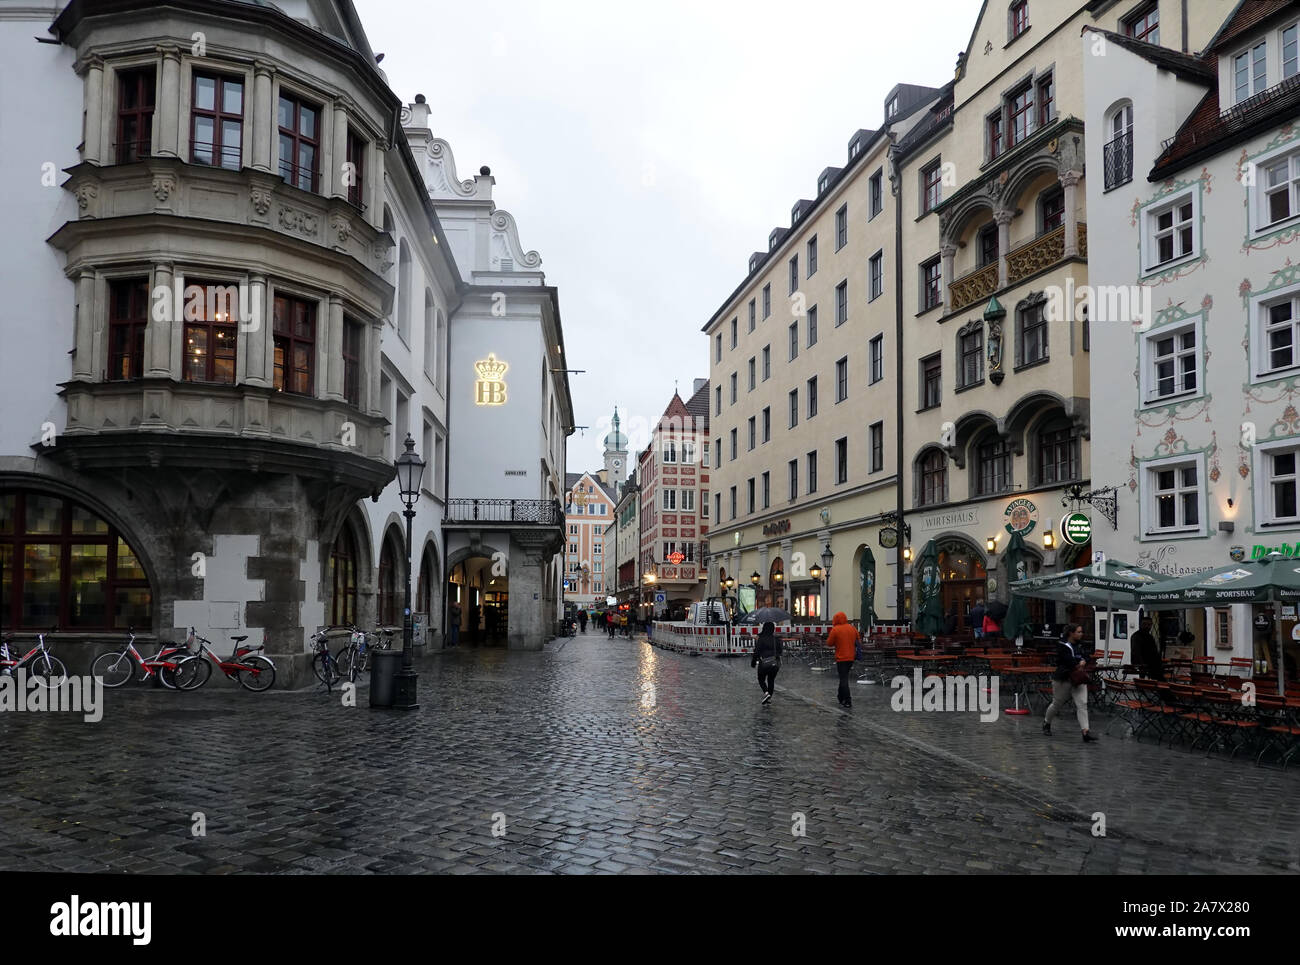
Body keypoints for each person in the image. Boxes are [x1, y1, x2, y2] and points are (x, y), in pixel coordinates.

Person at [1043, 623, 1097, 742]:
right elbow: (1067, 661)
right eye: (1078, 632)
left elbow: (1087, 656)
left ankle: (1085, 731)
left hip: (1079, 678)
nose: (1081, 634)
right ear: (1071, 633)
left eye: (1081, 632)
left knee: (1082, 704)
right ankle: (1047, 723)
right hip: (1064, 679)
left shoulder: (1081, 644)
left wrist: (1084, 660)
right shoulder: (1062, 645)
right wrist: (1079, 662)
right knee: (1057, 703)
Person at [826, 611, 860, 708]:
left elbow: (829, 643)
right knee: (843, 677)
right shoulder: (852, 628)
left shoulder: (835, 629)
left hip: (841, 658)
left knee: (844, 679)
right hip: (851, 657)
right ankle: (840, 697)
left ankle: (848, 700)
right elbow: (858, 639)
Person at [751, 621, 782, 704]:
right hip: (775, 663)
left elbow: (757, 652)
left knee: (761, 679)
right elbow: (780, 651)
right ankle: (769, 698)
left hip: (764, 663)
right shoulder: (776, 639)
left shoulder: (762, 639)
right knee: (771, 680)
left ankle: (766, 692)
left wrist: (753, 662)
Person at [1129, 616, 1162, 680]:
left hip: (1151, 664)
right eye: (1144, 624)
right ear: (1141, 625)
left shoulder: (1150, 637)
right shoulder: (1136, 636)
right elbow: (1136, 652)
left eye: (1149, 624)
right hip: (1144, 664)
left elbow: (1154, 651)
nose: (1147, 626)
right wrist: (1142, 664)